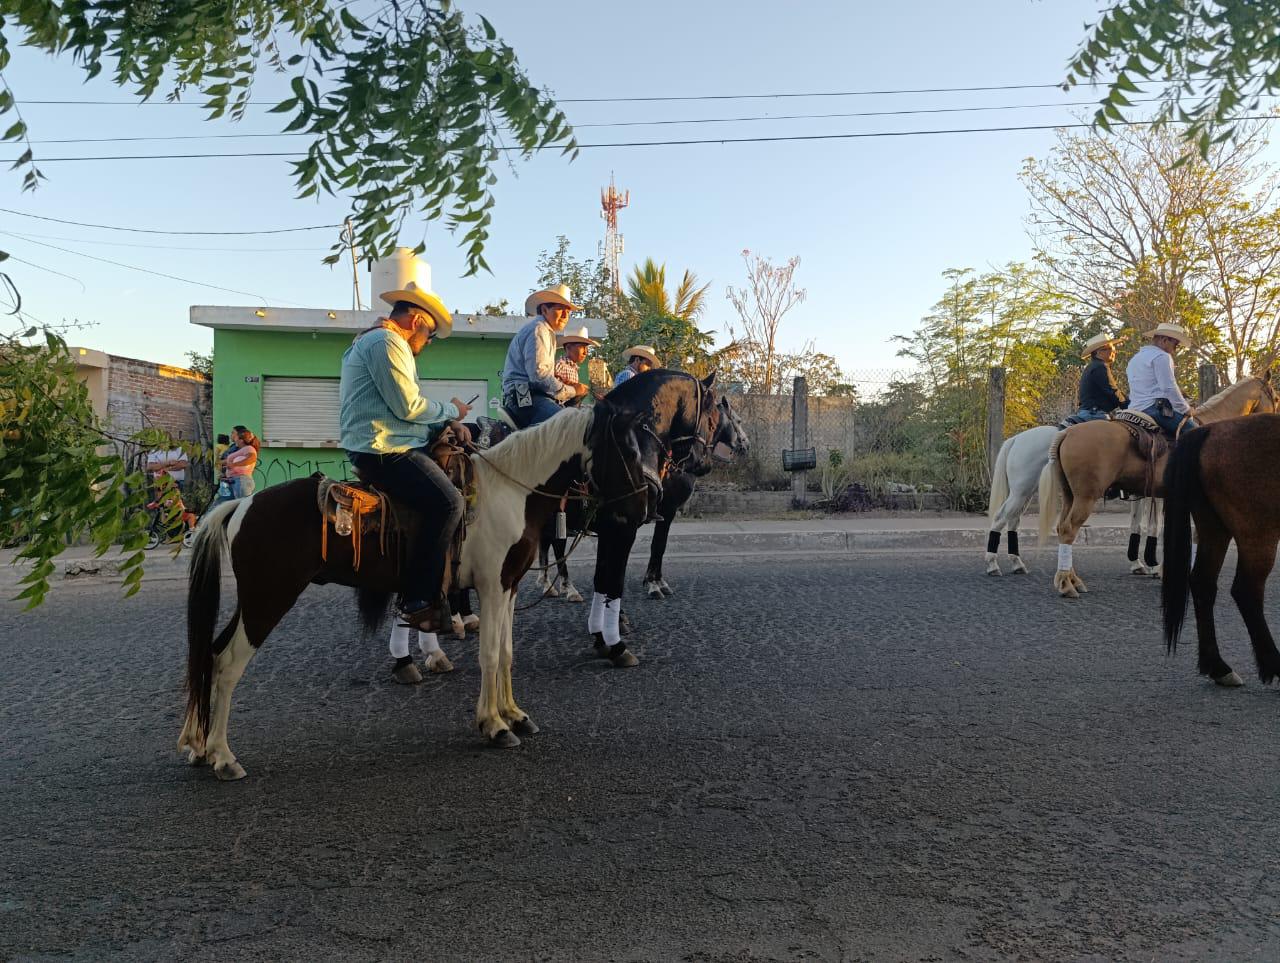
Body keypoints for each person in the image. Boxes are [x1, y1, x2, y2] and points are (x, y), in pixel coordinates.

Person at [340, 280, 471, 632]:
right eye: (428, 336)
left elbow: (399, 411)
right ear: (416, 322)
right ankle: (417, 598)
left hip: (387, 442)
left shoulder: (377, 341)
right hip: (383, 450)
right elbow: (409, 406)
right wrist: (453, 411)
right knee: (450, 503)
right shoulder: (388, 342)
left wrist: (443, 425)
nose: (426, 344)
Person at [500, 283, 590, 427]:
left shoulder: (545, 331)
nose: (566, 315)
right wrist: (572, 390)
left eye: (569, 311)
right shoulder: (539, 330)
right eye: (560, 308)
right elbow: (539, 377)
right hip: (525, 398)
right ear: (544, 309)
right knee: (571, 425)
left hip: (528, 396)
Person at [1126, 322, 1199, 438]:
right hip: (1153, 409)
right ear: (1164, 340)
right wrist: (1186, 409)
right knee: (1197, 433)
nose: (1175, 350)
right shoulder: (1162, 356)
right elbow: (1168, 388)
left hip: (1133, 409)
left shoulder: (1135, 358)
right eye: (1175, 345)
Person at [1074, 333, 1127, 421]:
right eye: (1110, 348)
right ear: (1099, 352)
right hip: (1095, 414)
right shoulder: (1100, 366)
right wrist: (1129, 406)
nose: (1114, 351)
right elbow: (1112, 391)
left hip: (1087, 412)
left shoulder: (1092, 366)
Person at [555, 326, 601, 404]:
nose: (585, 352)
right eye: (583, 348)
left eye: (587, 349)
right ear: (569, 347)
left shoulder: (573, 368)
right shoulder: (560, 365)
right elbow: (554, 391)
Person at [222, 426, 259, 499]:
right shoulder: (240, 450)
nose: (234, 440)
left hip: (241, 481)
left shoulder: (249, 448)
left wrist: (234, 465)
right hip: (233, 481)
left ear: (241, 440)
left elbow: (252, 458)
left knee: (241, 505)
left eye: (236, 438)